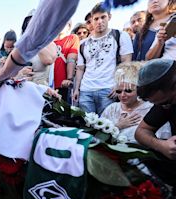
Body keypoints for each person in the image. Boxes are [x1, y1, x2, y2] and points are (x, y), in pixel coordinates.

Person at [0, 0, 80, 84]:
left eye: (33, 22)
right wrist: (19, 73)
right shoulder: (21, 45)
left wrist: (36, 38)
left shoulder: (50, 43)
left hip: (41, 91)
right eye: (28, 23)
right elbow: (12, 69)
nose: (31, 26)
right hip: (22, 91)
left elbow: (48, 60)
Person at [72, 2, 133, 115]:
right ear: (92, 20)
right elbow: (80, 68)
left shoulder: (120, 35)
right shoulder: (83, 43)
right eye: (96, 19)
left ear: (109, 17)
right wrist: (77, 89)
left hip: (108, 89)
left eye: (103, 17)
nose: (99, 21)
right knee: (86, 127)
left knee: (107, 127)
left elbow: (126, 63)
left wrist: (119, 85)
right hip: (86, 90)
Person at [102, 62, 170, 143]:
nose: (122, 95)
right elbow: (98, 135)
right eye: (118, 91)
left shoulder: (151, 108)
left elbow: (163, 137)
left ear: (139, 90)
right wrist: (118, 126)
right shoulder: (112, 108)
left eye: (128, 91)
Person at [135, 58, 176, 188]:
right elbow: (141, 131)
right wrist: (162, 146)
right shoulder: (165, 102)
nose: (164, 106)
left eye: (165, 102)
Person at [53, 21, 79, 100]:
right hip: (47, 83)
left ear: (69, 26)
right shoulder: (49, 41)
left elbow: (71, 59)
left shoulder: (72, 38)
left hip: (62, 84)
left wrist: (69, 79)